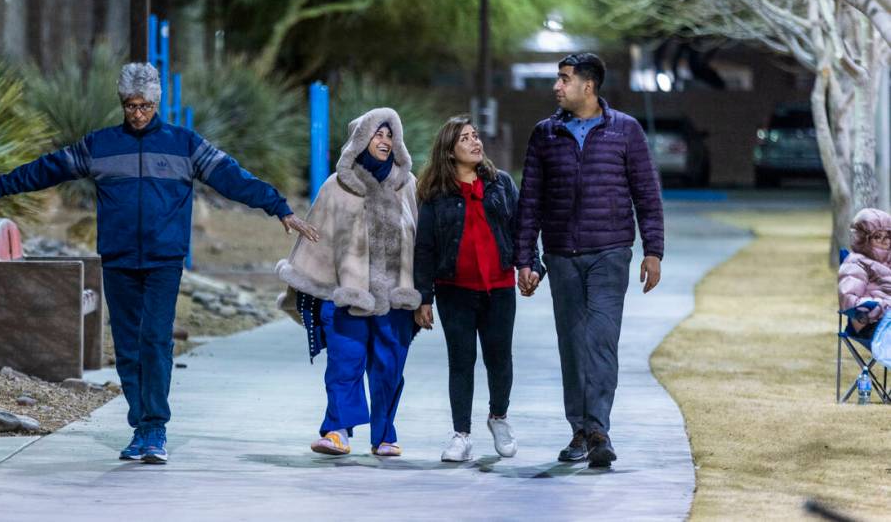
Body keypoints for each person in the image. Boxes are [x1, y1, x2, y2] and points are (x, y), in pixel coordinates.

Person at [0, 63, 317, 465]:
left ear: (156, 103)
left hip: (164, 260)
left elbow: (233, 177)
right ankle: (139, 425)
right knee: (127, 346)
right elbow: (49, 167)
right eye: (130, 106)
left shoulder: (185, 145)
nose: (138, 113)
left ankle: (155, 427)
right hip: (120, 258)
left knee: (156, 340)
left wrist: (278, 207)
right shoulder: (101, 146)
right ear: (122, 104)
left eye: (145, 106)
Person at [514, 52, 664, 469]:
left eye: (564, 79)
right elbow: (531, 201)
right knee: (572, 346)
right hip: (562, 255)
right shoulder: (545, 134)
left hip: (609, 253)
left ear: (588, 86)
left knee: (600, 341)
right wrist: (524, 258)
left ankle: (598, 430)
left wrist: (653, 251)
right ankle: (579, 430)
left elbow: (647, 195)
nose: (556, 87)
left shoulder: (625, 131)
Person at [277, 108, 420, 457]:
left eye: (390, 135)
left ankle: (385, 434)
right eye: (377, 134)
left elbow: (420, 238)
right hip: (345, 297)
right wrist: (314, 286)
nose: (384, 141)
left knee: (390, 367)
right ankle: (337, 430)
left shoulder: (408, 186)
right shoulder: (336, 186)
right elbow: (318, 239)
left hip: (394, 298)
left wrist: (423, 293)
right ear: (360, 140)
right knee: (344, 362)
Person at [413, 116, 543, 462]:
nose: (475, 142)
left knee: (500, 358)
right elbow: (424, 247)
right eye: (465, 139)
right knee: (461, 361)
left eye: (475, 136)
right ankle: (461, 435)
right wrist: (423, 297)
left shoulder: (500, 183)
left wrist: (532, 265)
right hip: (454, 289)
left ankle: (498, 417)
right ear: (450, 152)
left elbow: (522, 228)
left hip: (498, 287)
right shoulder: (435, 194)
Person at [838, 208, 891, 339]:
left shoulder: (888, 259)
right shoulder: (855, 264)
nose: (885, 241)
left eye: (888, 236)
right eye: (878, 237)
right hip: (872, 325)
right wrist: (883, 306)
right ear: (863, 239)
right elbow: (850, 302)